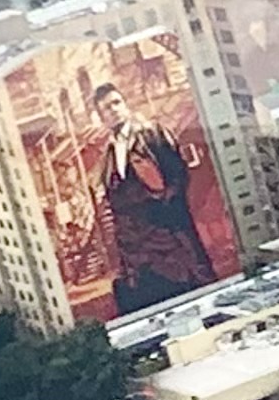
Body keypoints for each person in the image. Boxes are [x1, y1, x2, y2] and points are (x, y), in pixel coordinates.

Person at [91, 72, 219, 312]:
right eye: (106, 108)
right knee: (157, 305)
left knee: (191, 293)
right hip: (136, 249)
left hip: (168, 236)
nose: (113, 110)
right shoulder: (109, 154)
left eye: (116, 103)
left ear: (125, 104)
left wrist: (163, 208)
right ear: (101, 117)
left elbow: (178, 175)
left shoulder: (151, 133)